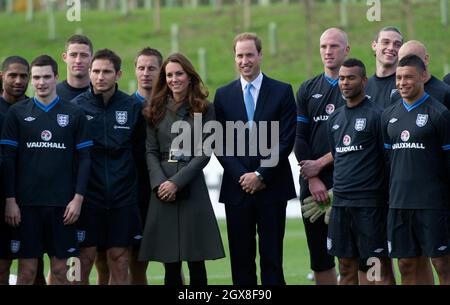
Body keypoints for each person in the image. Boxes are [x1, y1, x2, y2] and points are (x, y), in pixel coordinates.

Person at [0, 55, 92, 285]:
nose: (41, 82)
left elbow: (85, 160)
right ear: (32, 80)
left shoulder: (74, 114)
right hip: (27, 206)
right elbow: (8, 160)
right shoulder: (18, 113)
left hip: (63, 206)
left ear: (56, 78)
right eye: (37, 77)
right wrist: (10, 200)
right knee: (27, 272)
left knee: (62, 272)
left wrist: (78, 200)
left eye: (46, 77)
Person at [214, 32, 296, 285]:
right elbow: (219, 143)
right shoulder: (223, 95)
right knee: (241, 261)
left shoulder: (282, 91)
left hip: (272, 187)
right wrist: (243, 176)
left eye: (250, 54)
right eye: (239, 55)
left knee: (272, 259)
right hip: (237, 190)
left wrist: (261, 174)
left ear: (260, 55)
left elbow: (285, 140)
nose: (244, 60)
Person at [139, 53, 224, 285]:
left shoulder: (205, 108)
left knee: (196, 260)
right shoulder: (153, 108)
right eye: (169, 75)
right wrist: (160, 183)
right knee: (170, 263)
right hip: (161, 189)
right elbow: (150, 151)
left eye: (179, 73)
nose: (174, 79)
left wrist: (177, 182)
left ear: (189, 76)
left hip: (191, 184)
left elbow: (205, 151)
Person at [72, 49, 145, 285]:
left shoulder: (132, 107)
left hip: (123, 197)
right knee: (84, 259)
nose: (100, 76)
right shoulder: (76, 108)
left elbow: (141, 154)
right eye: (95, 71)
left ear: (118, 74)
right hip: (88, 198)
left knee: (120, 259)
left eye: (106, 72)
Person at [381, 54, 450, 285]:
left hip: (433, 204)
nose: (402, 82)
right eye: (398, 78)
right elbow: (389, 159)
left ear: (423, 76)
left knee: (442, 263)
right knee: (406, 264)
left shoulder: (440, 114)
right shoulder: (388, 116)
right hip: (399, 204)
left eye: (408, 77)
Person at [326, 58, 395, 285]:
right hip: (341, 205)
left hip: (370, 205)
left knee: (377, 269)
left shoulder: (378, 115)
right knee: (345, 268)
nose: (345, 83)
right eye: (342, 78)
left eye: (351, 78)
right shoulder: (334, 118)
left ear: (364, 80)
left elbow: (388, 161)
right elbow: (337, 158)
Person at [295, 27, 349, 285]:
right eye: (324, 46)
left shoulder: (358, 86)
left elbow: (359, 142)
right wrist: (313, 178)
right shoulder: (307, 88)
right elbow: (299, 137)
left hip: (349, 185)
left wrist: (322, 164)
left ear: (346, 50)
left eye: (334, 46)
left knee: (351, 257)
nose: (328, 51)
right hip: (313, 186)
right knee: (320, 259)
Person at [128, 47, 163, 285]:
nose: (146, 73)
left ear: (161, 71)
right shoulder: (125, 107)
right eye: (141, 68)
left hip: (167, 191)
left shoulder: (173, 106)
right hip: (134, 194)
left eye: (152, 68)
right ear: (134, 71)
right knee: (136, 262)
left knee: (172, 261)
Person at [0, 56, 31, 285]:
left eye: (23, 76)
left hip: (31, 199)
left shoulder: (35, 109)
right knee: (2, 266)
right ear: (2, 76)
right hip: (2, 197)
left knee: (31, 269)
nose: (18, 80)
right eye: (13, 75)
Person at [391, 40, 450, 110]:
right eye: (402, 61)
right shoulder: (396, 96)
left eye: (412, 60)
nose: (406, 66)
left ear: (426, 59)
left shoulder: (445, 93)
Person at [365, 26, 403, 109]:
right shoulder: (363, 87)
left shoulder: (406, 86)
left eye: (397, 45)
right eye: (386, 42)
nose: (391, 48)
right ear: (374, 45)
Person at [57, 35, 93, 102]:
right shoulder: (53, 94)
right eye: (73, 55)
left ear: (92, 59)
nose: (78, 61)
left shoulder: (102, 94)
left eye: (84, 55)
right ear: (65, 57)